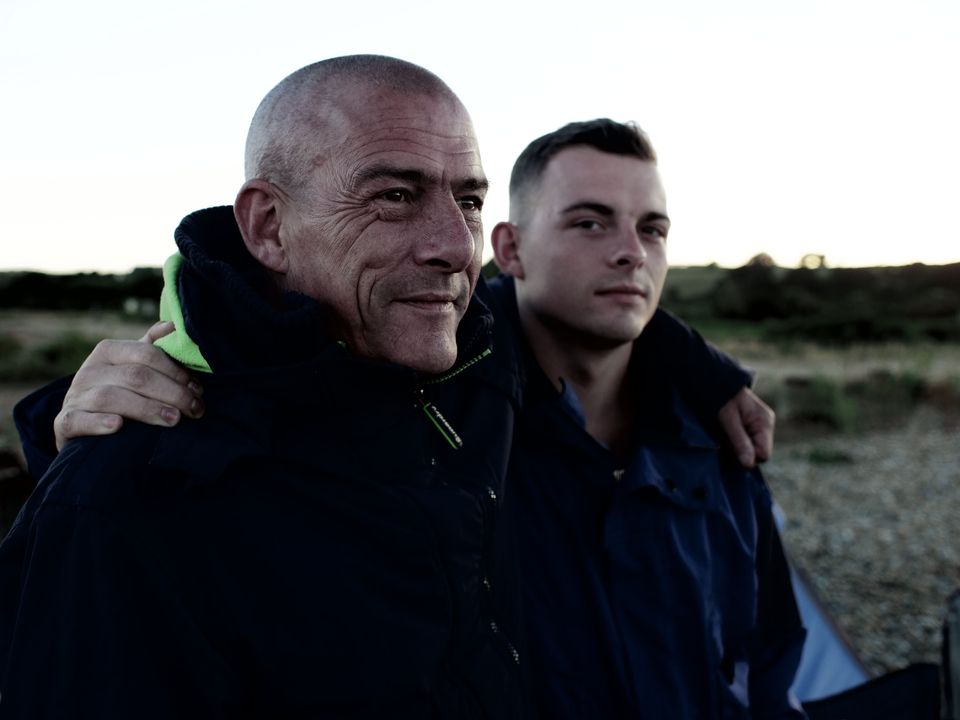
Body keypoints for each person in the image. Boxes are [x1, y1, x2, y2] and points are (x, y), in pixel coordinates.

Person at [6, 63, 776, 718]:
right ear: (269, 226)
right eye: (395, 195)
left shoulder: (472, 368)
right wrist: (65, 435)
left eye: (468, 201)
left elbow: (579, 311)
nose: (451, 246)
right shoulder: (129, 495)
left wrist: (707, 373)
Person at [487, 119, 806, 718]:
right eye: (590, 222)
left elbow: (768, 661)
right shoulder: (453, 436)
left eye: (651, 229)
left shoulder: (717, 438)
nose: (631, 250)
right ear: (511, 249)